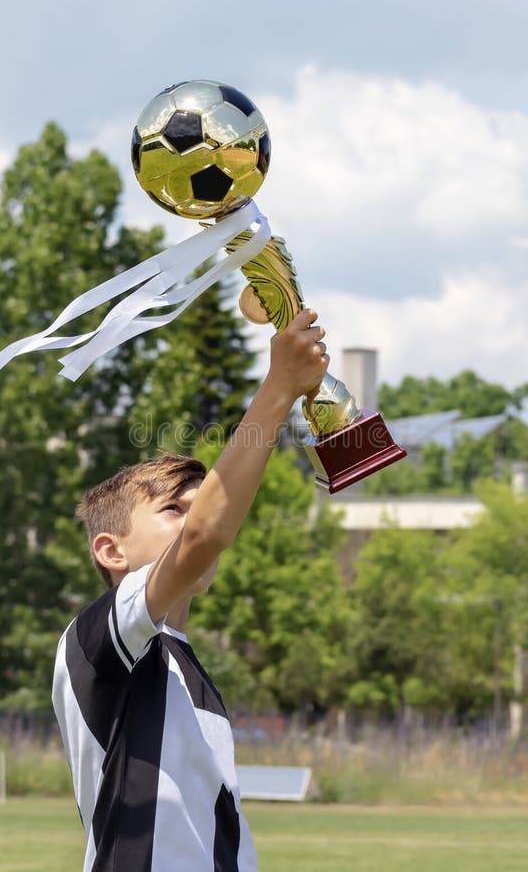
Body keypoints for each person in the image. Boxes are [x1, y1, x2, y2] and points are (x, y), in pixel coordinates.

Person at [52, 308, 329, 872]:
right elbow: (206, 535)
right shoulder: (100, 642)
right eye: (173, 508)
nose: (195, 518)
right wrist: (280, 387)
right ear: (111, 551)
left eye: (199, 503)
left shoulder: (186, 664)